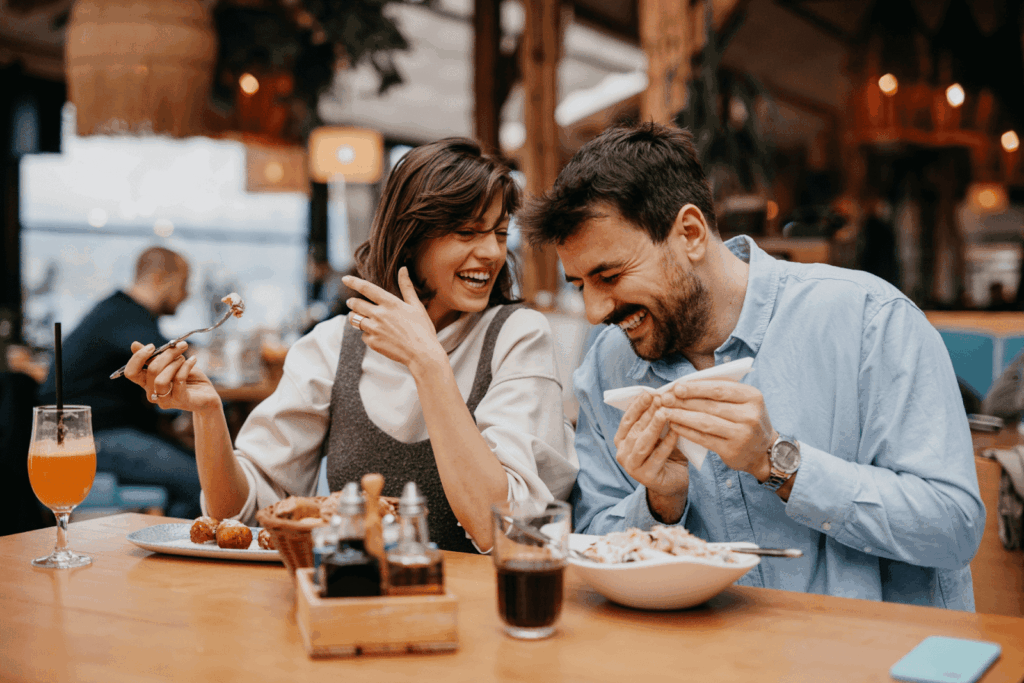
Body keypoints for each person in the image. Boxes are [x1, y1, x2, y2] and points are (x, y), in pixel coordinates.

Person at [516, 122, 984, 610]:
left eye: (609, 276)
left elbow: (954, 528)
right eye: (579, 285)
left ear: (691, 234)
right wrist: (661, 505)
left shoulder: (870, 320)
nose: (595, 311)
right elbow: (592, 542)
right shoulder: (607, 364)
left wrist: (778, 461)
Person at [122, 138, 578, 552]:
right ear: (411, 235)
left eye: (499, 233)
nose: (493, 253)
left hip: (481, 615)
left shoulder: (518, 336)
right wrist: (208, 413)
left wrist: (427, 361)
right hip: (356, 602)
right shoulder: (333, 345)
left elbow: (506, 529)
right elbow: (236, 518)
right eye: (468, 233)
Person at [38, 246, 202, 518]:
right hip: (91, 439)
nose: (186, 295)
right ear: (161, 278)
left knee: (197, 470)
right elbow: (167, 353)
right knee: (203, 483)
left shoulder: (119, 312)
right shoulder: (123, 317)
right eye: (184, 284)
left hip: (96, 433)